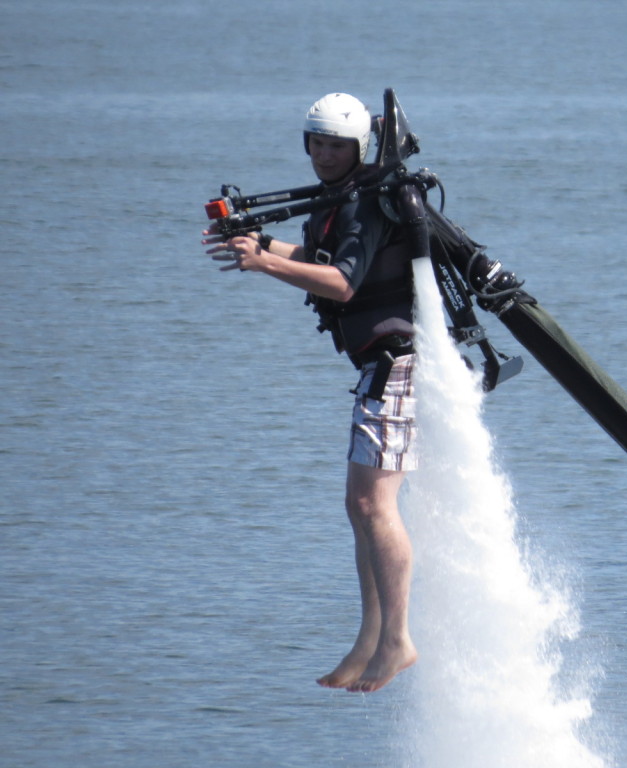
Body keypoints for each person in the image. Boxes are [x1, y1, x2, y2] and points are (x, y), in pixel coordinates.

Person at [203, 92, 419, 693]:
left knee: (376, 506)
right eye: (317, 144)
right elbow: (321, 258)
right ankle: (370, 636)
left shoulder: (367, 204)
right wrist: (259, 245)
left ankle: (397, 639)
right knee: (361, 506)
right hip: (379, 366)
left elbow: (343, 283)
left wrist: (263, 265)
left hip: (401, 364)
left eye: (337, 146)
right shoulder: (340, 201)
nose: (324, 155)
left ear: (358, 149)